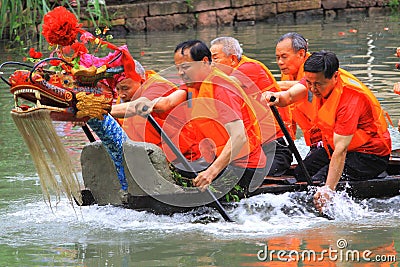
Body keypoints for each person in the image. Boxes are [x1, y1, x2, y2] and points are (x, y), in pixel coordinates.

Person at [134, 40, 267, 193]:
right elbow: (166, 102)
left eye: (185, 67)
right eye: (178, 68)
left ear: (204, 62)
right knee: (178, 169)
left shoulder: (221, 89)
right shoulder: (192, 87)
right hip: (221, 161)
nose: (180, 73)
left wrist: (212, 172)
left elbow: (239, 136)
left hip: (246, 167)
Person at [266, 51, 392, 212]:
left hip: (369, 155)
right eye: (309, 83)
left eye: (318, 84)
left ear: (335, 76)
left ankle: (376, 175)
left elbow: (341, 150)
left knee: (319, 182)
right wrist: (275, 97)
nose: (312, 89)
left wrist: (328, 190)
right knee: (301, 173)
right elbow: (289, 96)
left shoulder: (350, 99)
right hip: (333, 146)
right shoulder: (314, 79)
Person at [209, 36, 293, 177]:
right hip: (254, 149)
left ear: (233, 59)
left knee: (251, 177)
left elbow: (226, 83)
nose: (211, 65)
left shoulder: (249, 68)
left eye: (215, 59)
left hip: (275, 150)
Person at [275, 32, 322, 149]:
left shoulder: (318, 68)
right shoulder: (287, 74)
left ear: (301, 54)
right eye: (277, 57)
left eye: (284, 57)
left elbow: (310, 83)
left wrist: (272, 86)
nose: (280, 62)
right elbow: (289, 115)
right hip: (313, 141)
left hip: (330, 137)